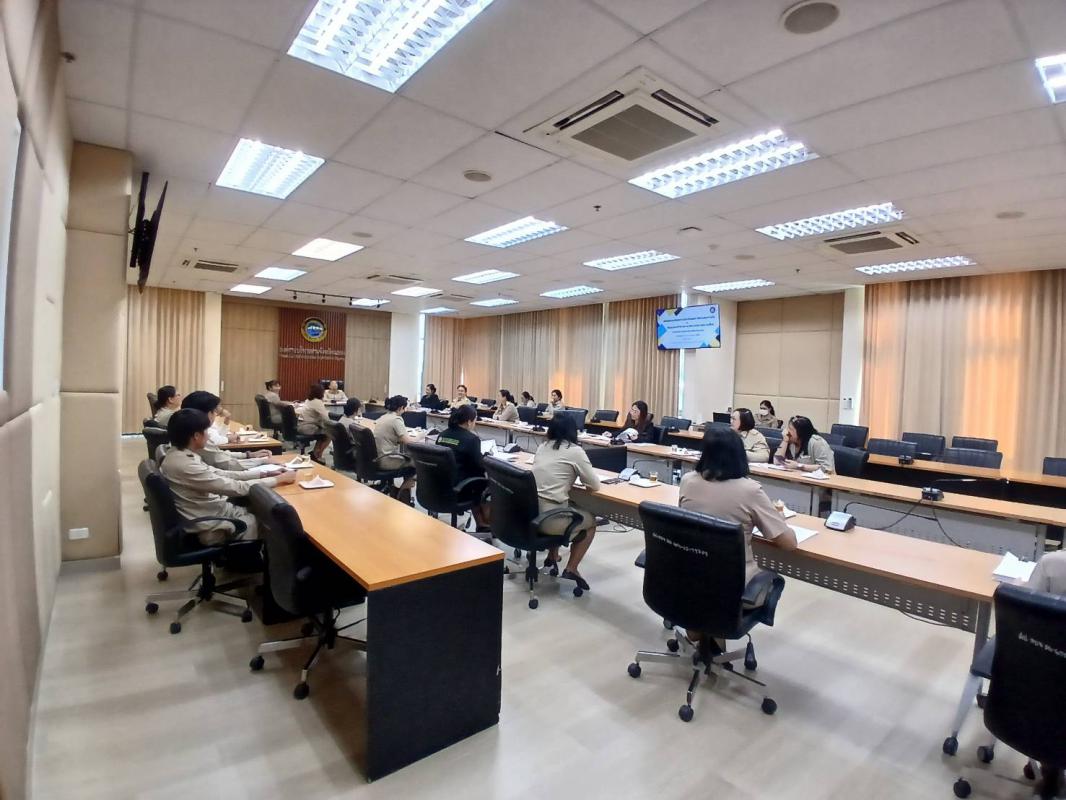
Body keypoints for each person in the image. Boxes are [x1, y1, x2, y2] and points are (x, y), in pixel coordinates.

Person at [679, 428, 798, 634]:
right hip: (733, 588)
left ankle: (705, 634)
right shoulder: (750, 490)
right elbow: (789, 543)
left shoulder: (687, 481)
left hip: (689, 577)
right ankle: (711, 637)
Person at [160, 409, 295, 544]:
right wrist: (279, 479)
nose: (208, 436)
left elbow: (222, 474)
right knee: (274, 523)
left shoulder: (180, 455)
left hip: (210, 511)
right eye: (206, 431)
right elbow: (236, 488)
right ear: (196, 436)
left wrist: (263, 474)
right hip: (210, 523)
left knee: (264, 509)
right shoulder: (186, 465)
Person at [532, 413, 602, 590]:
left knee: (569, 506)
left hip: (532, 512)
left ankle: (552, 556)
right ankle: (571, 569)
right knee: (591, 522)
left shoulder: (542, 446)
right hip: (549, 520)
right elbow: (594, 485)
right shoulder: (574, 451)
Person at [181, 390, 272, 471]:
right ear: (206, 414)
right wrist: (261, 461)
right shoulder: (198, 436)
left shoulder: (190, 429)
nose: (215, 414)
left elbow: (218, 454)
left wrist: (248, 455)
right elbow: (227, 465)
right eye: (214, 412)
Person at [436, 404, 489, 528]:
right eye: (475, 421)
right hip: (459, 490)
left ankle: (481, 523)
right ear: (469, 422)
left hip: (438, 487)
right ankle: (485, 523)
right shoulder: (472, 439)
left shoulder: (442, 435)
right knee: (488, 482)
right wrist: (486, 458)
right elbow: (480, 466)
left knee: (476, 479)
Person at [297, 384, 331, 463]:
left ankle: (315, 453)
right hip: (309, 428)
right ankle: (318, 455)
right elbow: (326, 418)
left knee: (323, 434)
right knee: (330, 434)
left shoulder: (308, 400)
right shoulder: (317, 402)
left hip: (302, 426)